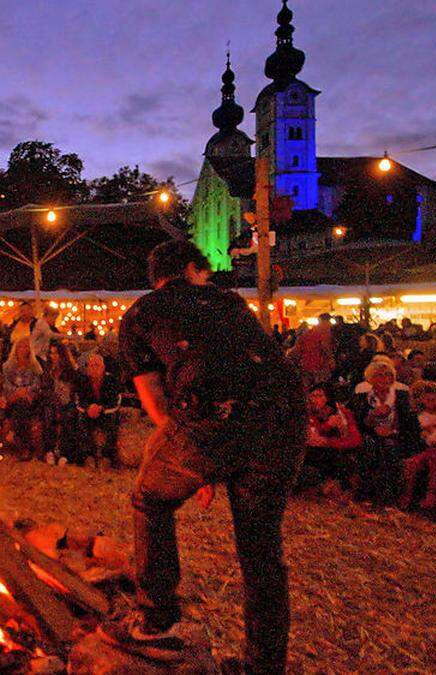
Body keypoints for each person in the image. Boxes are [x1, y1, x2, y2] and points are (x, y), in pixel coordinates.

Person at [100, 240, 305, 672]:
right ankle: (264, 665)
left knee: (150, 498)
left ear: (156, 277)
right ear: (193, 269)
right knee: (260, 551)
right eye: (204, 271)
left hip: (211, 416)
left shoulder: (142, 313)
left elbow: (156, 406)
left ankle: (157, 621)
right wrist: (203, 465)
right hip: (283, 417)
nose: (207, 279)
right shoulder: (228, 303)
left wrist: (196, 463)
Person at [349, 360, 423, 504]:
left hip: (399, 436)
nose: (385, 379)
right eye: (379, 375)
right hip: (371, 435)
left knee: (389, 446)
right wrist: (372, 420)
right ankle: (368, 493)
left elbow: (412, 423)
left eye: (388, 375)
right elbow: (358, 423)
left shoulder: (402, 396)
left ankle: (389, 495)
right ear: (371, 378)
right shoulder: (362, 398)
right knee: (369, 446)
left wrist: (393, 431)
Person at [399, 380, 436, 511]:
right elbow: (422, 434)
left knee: (434, 460)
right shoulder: (420, 416)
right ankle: (407, 499)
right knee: (414, 462)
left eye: (433, 399)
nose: (431, 403)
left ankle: (431, 498)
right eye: (427, 400)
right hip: (428, 446)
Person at [301, 383, 361, 492]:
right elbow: (311, 437)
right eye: (312, 395)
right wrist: (327, 426)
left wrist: (327, 442)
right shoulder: (307, 412)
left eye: (319, 396)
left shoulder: (342, 413)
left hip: (336, 452)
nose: (314, 399)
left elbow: (355, 439)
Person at [72, 351, 123, 468]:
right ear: (87, 368)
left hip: (106, 412)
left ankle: (107, 456)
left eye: (97, 365)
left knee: (112, 420)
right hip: (88, 412)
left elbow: (116, 400)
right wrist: (88, 408)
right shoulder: (82, 381)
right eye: (91, 365)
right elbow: (78, 400)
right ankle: (88, 455)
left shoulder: (112, 380)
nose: (94, 368)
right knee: (80, 420)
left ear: (103, 367)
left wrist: (101, 408)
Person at [0, 337, 45, 460]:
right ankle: (24, 446)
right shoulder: (7, 367)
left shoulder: (35, 366)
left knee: (22, 406)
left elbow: (37, 384)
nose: (23, 349)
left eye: (26, 347)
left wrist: (25, 391)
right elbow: (5, 384)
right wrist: (16, 392)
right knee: (19, 405)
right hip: (12, 399)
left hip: (29, 399)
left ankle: (21, 446)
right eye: (21, 346)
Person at [288, 313, 335, 385]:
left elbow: (296, 350)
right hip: (319, 365)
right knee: (321, 387)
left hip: (306, 365)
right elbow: (325, 347)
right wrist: (331, 359)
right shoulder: (326, 330)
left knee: (309, 388)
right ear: (327, 321)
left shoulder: (309, 333)